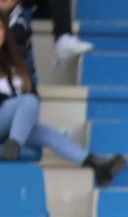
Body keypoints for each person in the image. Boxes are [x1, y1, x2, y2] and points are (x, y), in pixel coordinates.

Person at [0, 17, 119, 184]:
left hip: (9, 125)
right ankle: (13, 146)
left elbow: (28, 96)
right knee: (29, 102)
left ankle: (94, 165)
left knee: (46, 132)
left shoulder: (13, 63)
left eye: (0, 30)